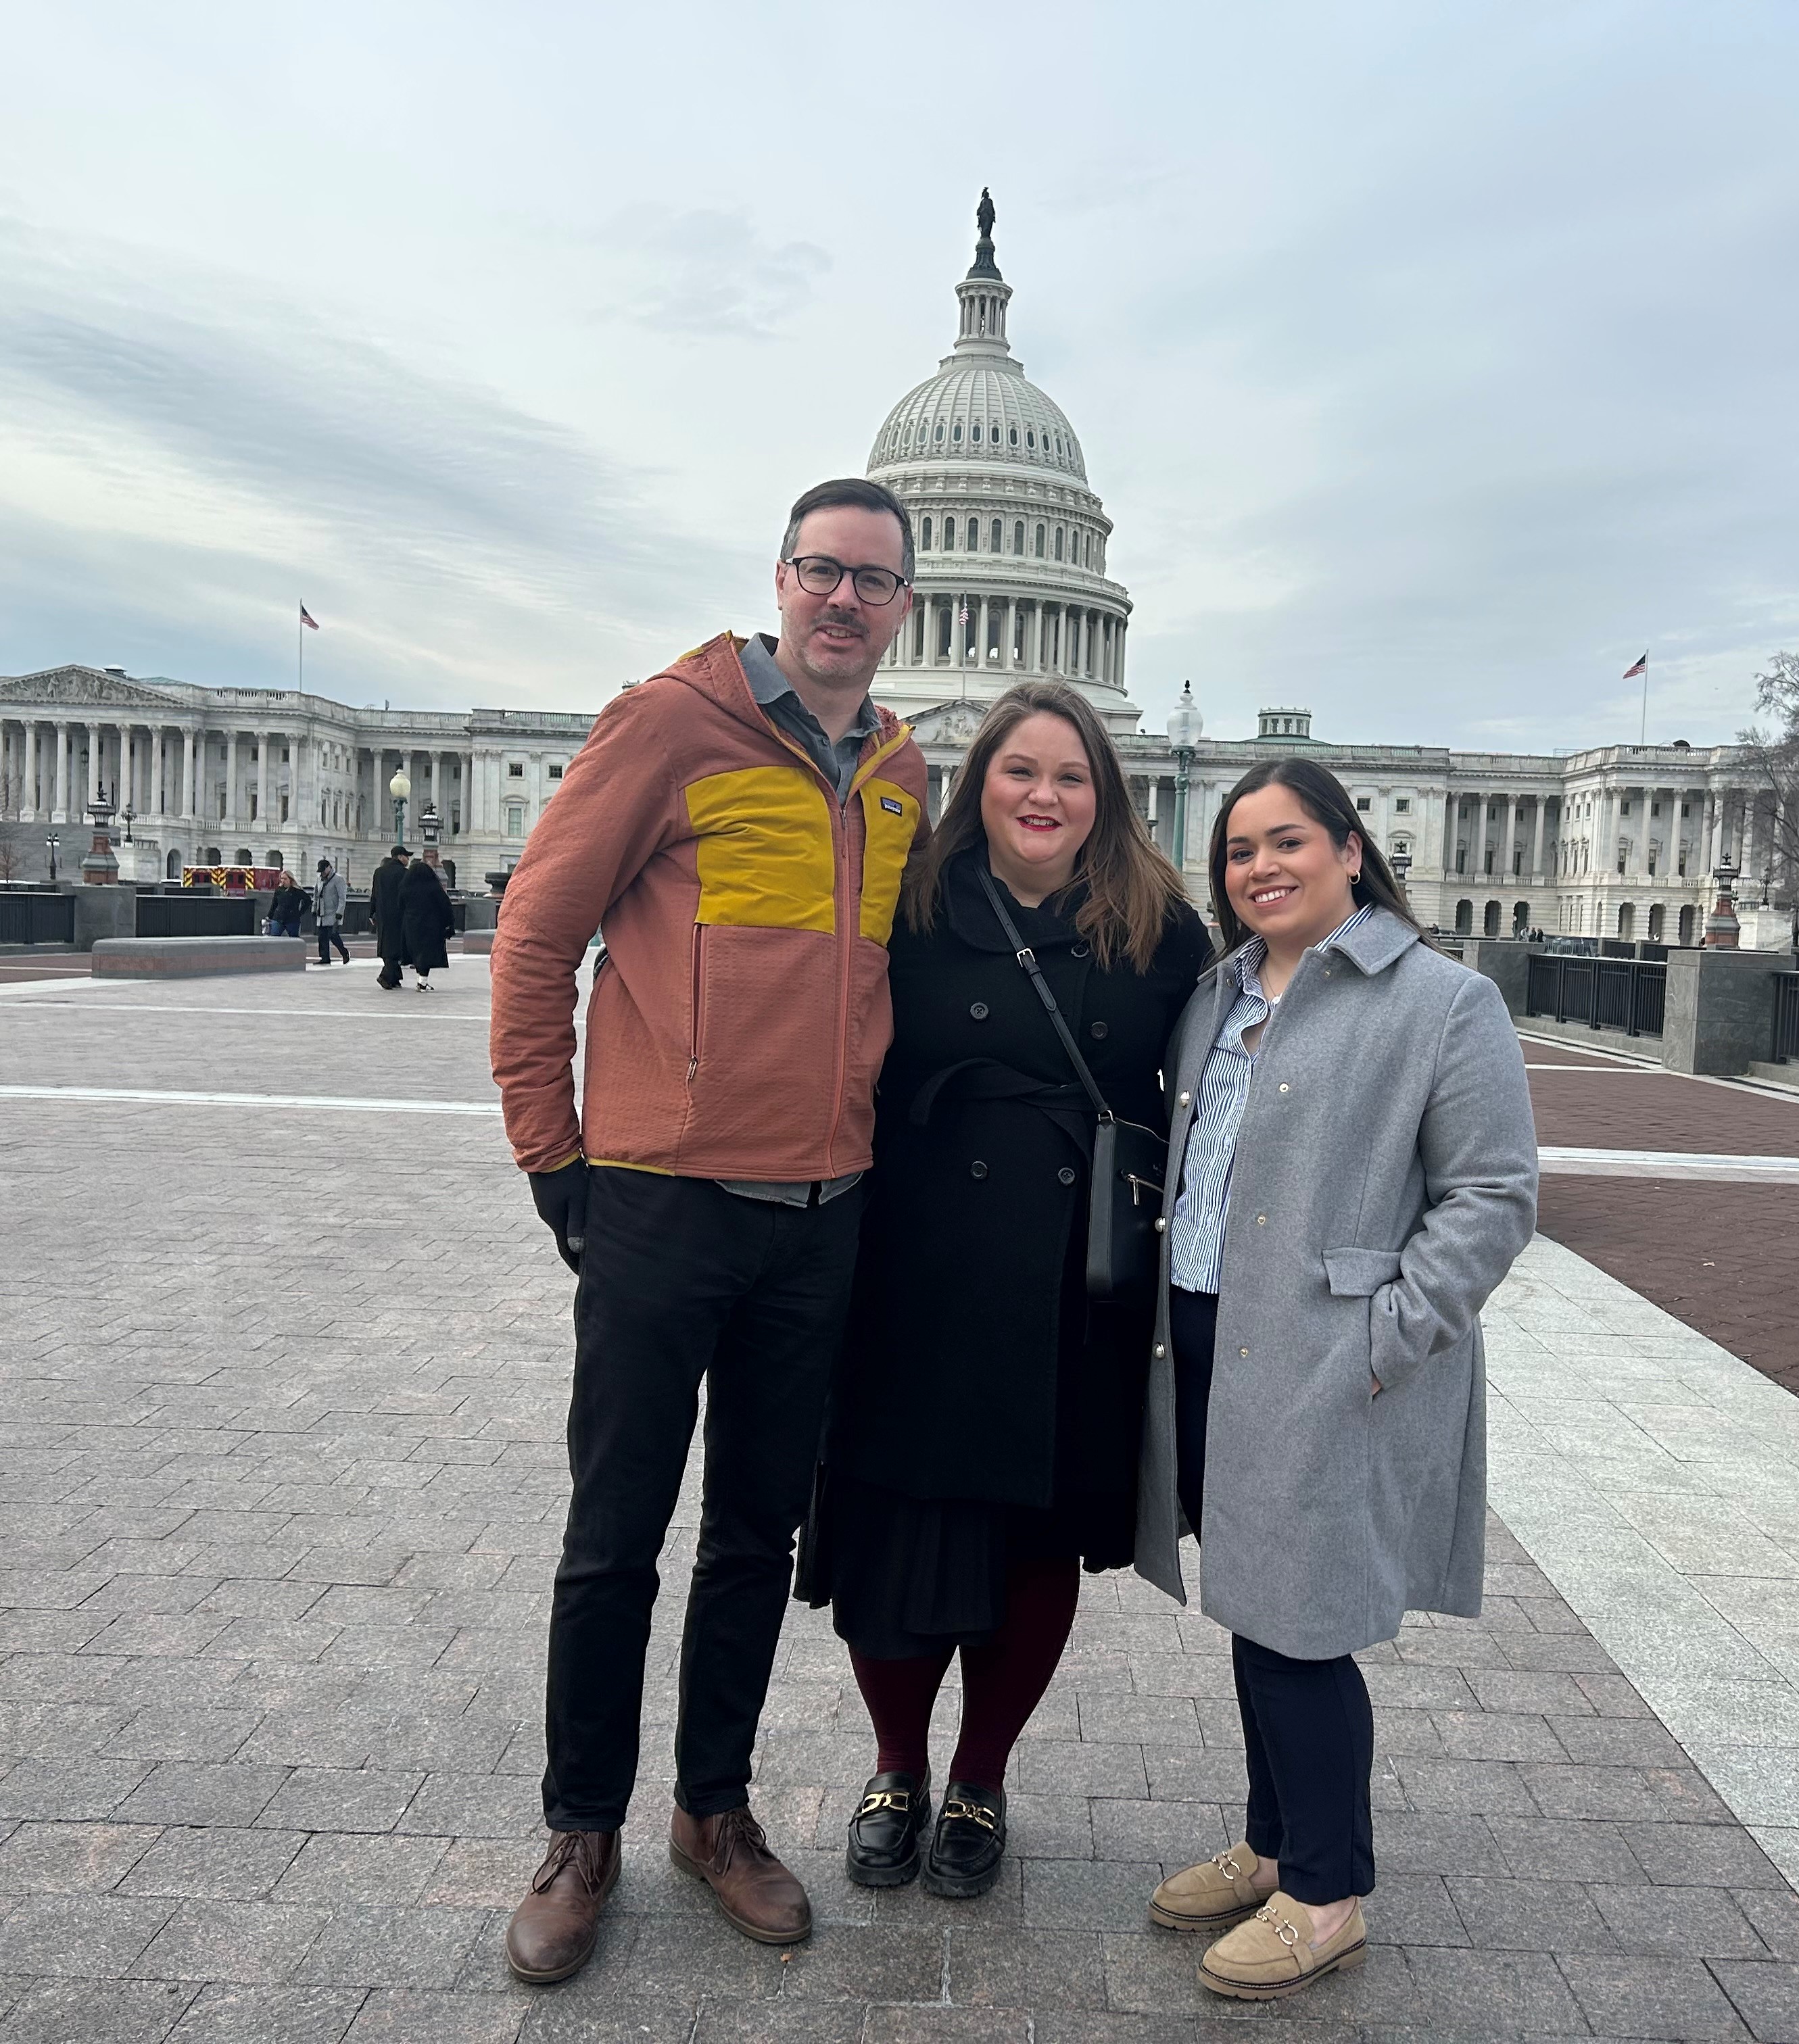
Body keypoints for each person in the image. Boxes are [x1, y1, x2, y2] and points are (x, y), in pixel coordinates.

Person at [488, 477, 928, 1982]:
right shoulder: (669, 725)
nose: (843, 599)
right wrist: (553, 1153)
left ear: (905, 606)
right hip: (662, 1201)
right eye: (822, 570)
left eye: (872, 580)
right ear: (780, 577)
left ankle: (712, 1809)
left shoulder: (902, 772)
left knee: (755, 1532)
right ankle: (580, 1830)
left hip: (821, 1212)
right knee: (614, 1531)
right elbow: (537, 933)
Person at [1132, 758, 1537, 2003]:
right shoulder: (1215, 994)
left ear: (1350, 850)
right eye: (1238, 850)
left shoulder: (1440, 1000)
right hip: (1207, 1336)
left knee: (1298, 1624)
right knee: (1254, 1603)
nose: (1260, 867)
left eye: (1287, 840)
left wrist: (1386, 1339)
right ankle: (1273, 1843)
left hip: (1325, 1354)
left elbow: (1492, 1194)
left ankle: (1326, 1893)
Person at [811, 682, 1208, 1900]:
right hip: (914, 1259)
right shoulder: (909, 899)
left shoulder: (1160, 926)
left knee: (1037, 1537)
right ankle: (895, 1765)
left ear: (1105, 793)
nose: (1044, 795)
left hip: (1071, 1276)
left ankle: (979, 1774)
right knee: (892, 1529)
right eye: (1019, 770)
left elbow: (1220, 1085)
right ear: (975, 780)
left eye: (1070, 775)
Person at [400, 858, 454, 991]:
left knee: (417, 953)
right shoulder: (433, 887)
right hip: (431, 925)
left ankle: (421, 981)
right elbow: (445, 906)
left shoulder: (406, 888)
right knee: (426, 954)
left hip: (411, 924)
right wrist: (449, 923)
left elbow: (400, 905)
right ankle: (422, 982)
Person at [369, 845, 410, 988]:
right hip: (399, 915)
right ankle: (386, 976)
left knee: (386, 944)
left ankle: (395, 977)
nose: (408, 859)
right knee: (397, 946)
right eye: (406, 856)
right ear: (400, 857)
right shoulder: (405, 873)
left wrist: (372, 912)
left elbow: (374, 894)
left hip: (382, 914)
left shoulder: (379, 872)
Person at [312, 858, 350, 965]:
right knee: (322, 937)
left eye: (324, 870)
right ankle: (324, 958)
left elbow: (342, 898)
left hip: (333, 913)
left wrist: (339, 913)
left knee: (333, 935)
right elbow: (316, 895)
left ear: (329, 868)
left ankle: (344, 952)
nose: (322, 873)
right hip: (322, 912)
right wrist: (314, 909)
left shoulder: (338, 879)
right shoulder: (319, 879)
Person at [266, 871, 308, 938]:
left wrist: (300, 912)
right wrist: (269, 916)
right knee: (274, 937)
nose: (283, 881)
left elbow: (307, 900)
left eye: (285, 879)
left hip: (292, 919)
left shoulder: (297, 891)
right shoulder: (279, 890)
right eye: (282, 878)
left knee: (294, 939)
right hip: (279, 918)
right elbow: (274, 904)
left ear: (290, 879)